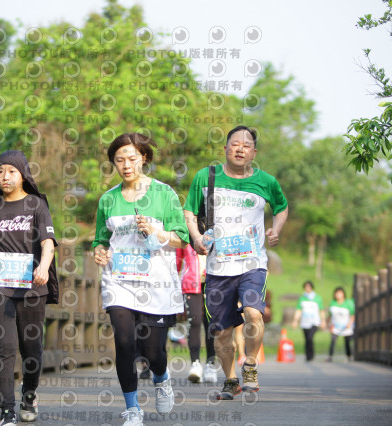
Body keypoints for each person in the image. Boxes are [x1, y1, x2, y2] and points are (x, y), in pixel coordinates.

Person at [184, 125, 289, 400]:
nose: (240, 148)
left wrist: (275, 229)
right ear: (226, 149)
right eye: (235, 144)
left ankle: (251, 364)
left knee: (254, 313)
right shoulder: (205, 178)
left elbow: (281, 206)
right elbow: (189, 212)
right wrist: (196, 237)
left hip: (252, 263)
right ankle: (231, 379)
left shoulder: (266, 181)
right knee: (222, 332)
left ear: (254, 152)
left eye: (246, 145)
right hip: (218, 267)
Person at [93, 133, 189, 426]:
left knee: (152, 352)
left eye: (132, 158)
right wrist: (99, 253)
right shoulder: (108, 199)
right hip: (119, 281)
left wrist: (156, 233)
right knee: (124, 342)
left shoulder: (164, 194)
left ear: (144, 158)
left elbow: (181, 239)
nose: (126, 165)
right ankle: (133, 409)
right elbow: (100, 240)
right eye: (119, 160)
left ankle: (162, 378)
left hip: (156, 284)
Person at [0, 150, 57, 425]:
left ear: (23, 175)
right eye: (0, 171)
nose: (4, 177)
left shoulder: (36, 205)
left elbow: (47, 242)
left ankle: (29, 395)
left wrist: (43, 266)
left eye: (11, 171)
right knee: (4, 349)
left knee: (31, 349)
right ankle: (7, 411)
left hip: (32, 288)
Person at [176, 246, 217, 383]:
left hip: (214, 280)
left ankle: (210, 364)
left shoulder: (217, 227)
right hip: (191, 281)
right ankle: (195, 363)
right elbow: (177, 258)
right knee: (194, 320)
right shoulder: (186, 229)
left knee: (211, 323)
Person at [292, 280, 326, 362]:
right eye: (306, 287)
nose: (307, 288)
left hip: (314, 322)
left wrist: (323, 321)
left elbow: (321, 310)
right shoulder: (302, 298)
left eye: (309, 287)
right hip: (305, 322)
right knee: (306, 339)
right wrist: (295, 320)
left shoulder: (317, 298)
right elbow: (298, 310)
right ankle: (308, 356)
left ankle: (311, 355)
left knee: (310, 337)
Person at [327, 286, 355, 362]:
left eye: (340, 293)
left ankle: (348, 356)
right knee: (333, 341)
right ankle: (330, 356)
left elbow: (352, 315)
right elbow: (330, 315)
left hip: (346, 326)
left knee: (347, 342)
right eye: (337, 293)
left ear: (343, 294)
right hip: (335, 325)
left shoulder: (348, 303)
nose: (338, 295)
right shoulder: (333, 303)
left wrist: (349, 323)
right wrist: (329, 324)